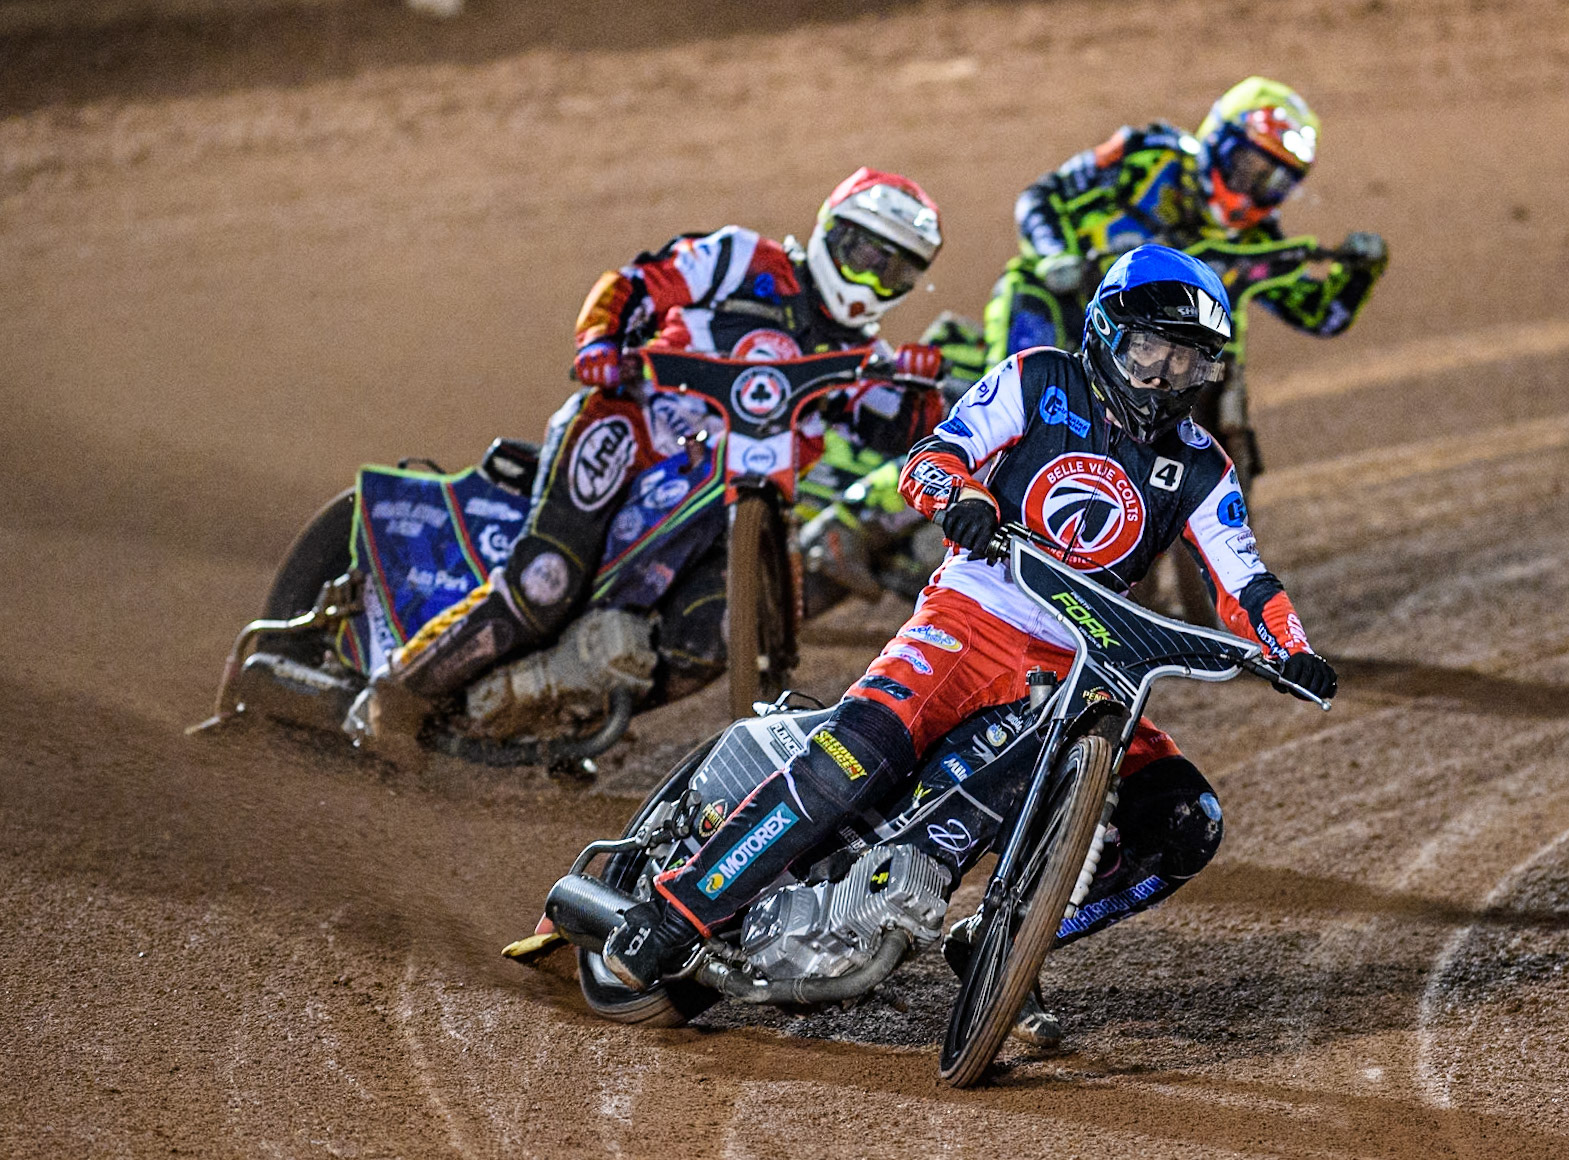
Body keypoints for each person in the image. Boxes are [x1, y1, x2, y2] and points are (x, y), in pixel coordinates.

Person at [602, 245, 1338, 1045]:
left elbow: (1247, 579)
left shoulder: (1201, 466)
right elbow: (936, 453)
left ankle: (1003, 939)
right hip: (972, 618)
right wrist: (961, 496)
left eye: (1186, 361)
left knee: (1188, 823)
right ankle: (677, 911)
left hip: (1092, 663)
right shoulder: (1038, 378)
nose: (1163, 377)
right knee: (854, 761)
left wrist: (1290, 648)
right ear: (1105, 331)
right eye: (1148, 351)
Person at [345, 169, 947, 736]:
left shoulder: (864, 362)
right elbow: (634, 285)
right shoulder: (742, 259)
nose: (871, 280)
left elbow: (898, 430)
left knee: (709, 641)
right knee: (546, 581)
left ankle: (566, 719)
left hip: (727, 503)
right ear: (829, 231)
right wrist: (600, 340)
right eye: (863, 256)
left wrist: (918, 392)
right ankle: (391, 697)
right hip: (632, 427)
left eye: (894, 272)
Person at [971, 76, 1389, 469]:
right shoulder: (1148, 155)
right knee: (1031, 316)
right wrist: (1056, 255)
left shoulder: (1255, 241)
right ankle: (994, 460)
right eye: (1249, 168)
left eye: (1274, 182)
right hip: (1072, 302)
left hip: (1153, 350)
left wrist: (1359, 273)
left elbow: (1321, 315)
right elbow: (1042, 196)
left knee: (1206, 358)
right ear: (1220, 140)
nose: (1252, 191)